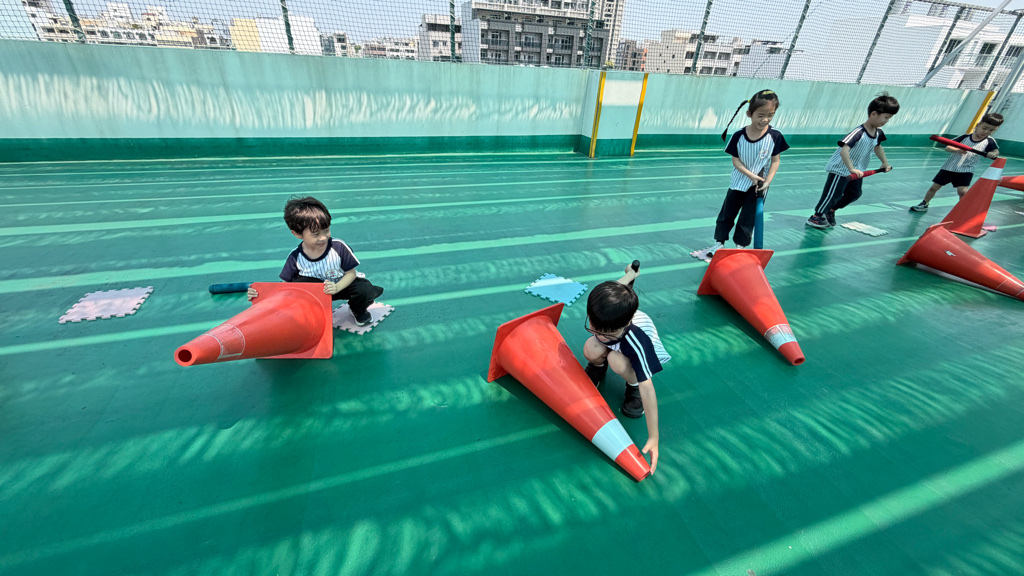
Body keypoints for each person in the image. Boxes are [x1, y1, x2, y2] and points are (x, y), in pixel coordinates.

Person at [581, 264, 671, 473]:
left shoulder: (637, 341)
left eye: (607, 333)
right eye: (594, 328)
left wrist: (654, 437)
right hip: (618, 341)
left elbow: (648, 388)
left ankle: (632, 387)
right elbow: (615, 287)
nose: (600, 336)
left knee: (617, 361)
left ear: (626, 322)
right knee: (591, 347)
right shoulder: (600, 308)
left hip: (632, 350)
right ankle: (597, 368)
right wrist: (631, 274)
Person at [248, 196, 383, 326]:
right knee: (299, 284)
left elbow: (351, 273)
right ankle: (315, 313)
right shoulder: (295, 257)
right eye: (316, 234)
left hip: (341, 286)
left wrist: (336, 288)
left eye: (326, 230)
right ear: (297, 234)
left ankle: (357, 309)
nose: (323, 237)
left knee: (364, 289)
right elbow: (285, 286)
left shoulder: (338, 247)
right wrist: (261, 294)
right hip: (316, 294)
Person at [691, 89, 788, 261]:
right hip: (738, 182)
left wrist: (767, 182)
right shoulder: (739, 136)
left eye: (770, 115)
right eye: (760, 115)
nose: (765, 119)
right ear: (749, 114)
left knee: (747, 219)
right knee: (726, 215)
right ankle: (718, 243)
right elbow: (735, 161)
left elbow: (775, 161)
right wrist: (751, 175)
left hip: (759, 187)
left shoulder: (775, 136)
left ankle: (740, 247)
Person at [806, 93, 898, 228]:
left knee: (854, 194)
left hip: (857, 170)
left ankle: (831, 210)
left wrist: (884, 162)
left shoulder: (878, 133)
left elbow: (877, 147)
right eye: (886, 117)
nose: (887, 121)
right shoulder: (858, 132)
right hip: (841, 169)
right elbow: (844, 150)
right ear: (873, 114)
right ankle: (816, 216)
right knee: (833, 195)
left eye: (889, 118)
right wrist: (851, 168)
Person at [909, 113, 1002, 212]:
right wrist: (957, 150)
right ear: (977, 125)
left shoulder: (989, 141)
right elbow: (948, 147)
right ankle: (924, 204)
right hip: (949, 168)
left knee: (962, 191)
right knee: (934, 187)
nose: (986, 132)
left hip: (966, 170)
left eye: (991, 130)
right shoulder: (964, 137)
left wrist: (993, 153)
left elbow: (995, 151)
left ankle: (962, 209)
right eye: (984, 128)